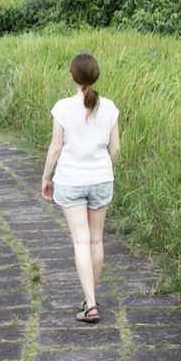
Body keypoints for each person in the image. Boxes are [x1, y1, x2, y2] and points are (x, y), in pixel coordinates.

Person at [40, 52, 120, 323]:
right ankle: (90, 298)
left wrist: (46, 177)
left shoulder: (62, 107)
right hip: (101, 179)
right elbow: (116, 148)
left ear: (73, 76)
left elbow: (55, 148)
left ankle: (90, 303)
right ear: (96, 74)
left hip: (71, 179)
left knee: (81, 240)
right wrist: (105, 169)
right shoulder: (109, 107)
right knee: (96, 239)